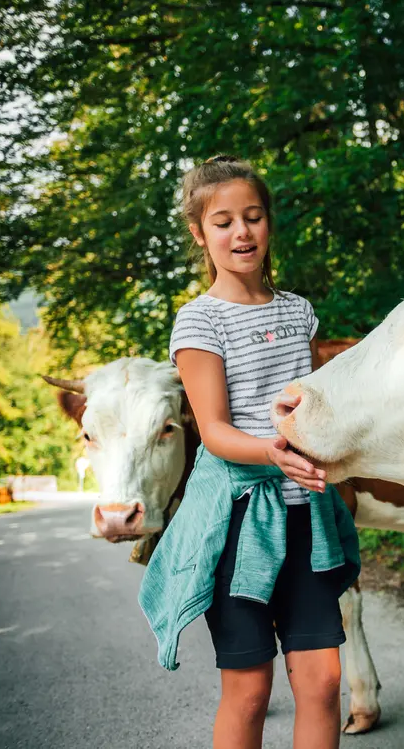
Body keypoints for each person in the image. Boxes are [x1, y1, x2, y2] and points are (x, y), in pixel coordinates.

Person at [137, 155, 360, 749]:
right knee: (250, 688)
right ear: (199, 233)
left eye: (254, 217)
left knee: (322, 681)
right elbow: (212, 430)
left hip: (307, 517)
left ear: (268, 224)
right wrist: (273, 453)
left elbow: (311, 405)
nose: (241, 232)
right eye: (224, 221)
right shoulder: (199, 322)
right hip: (237, 525)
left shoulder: (297, 311)